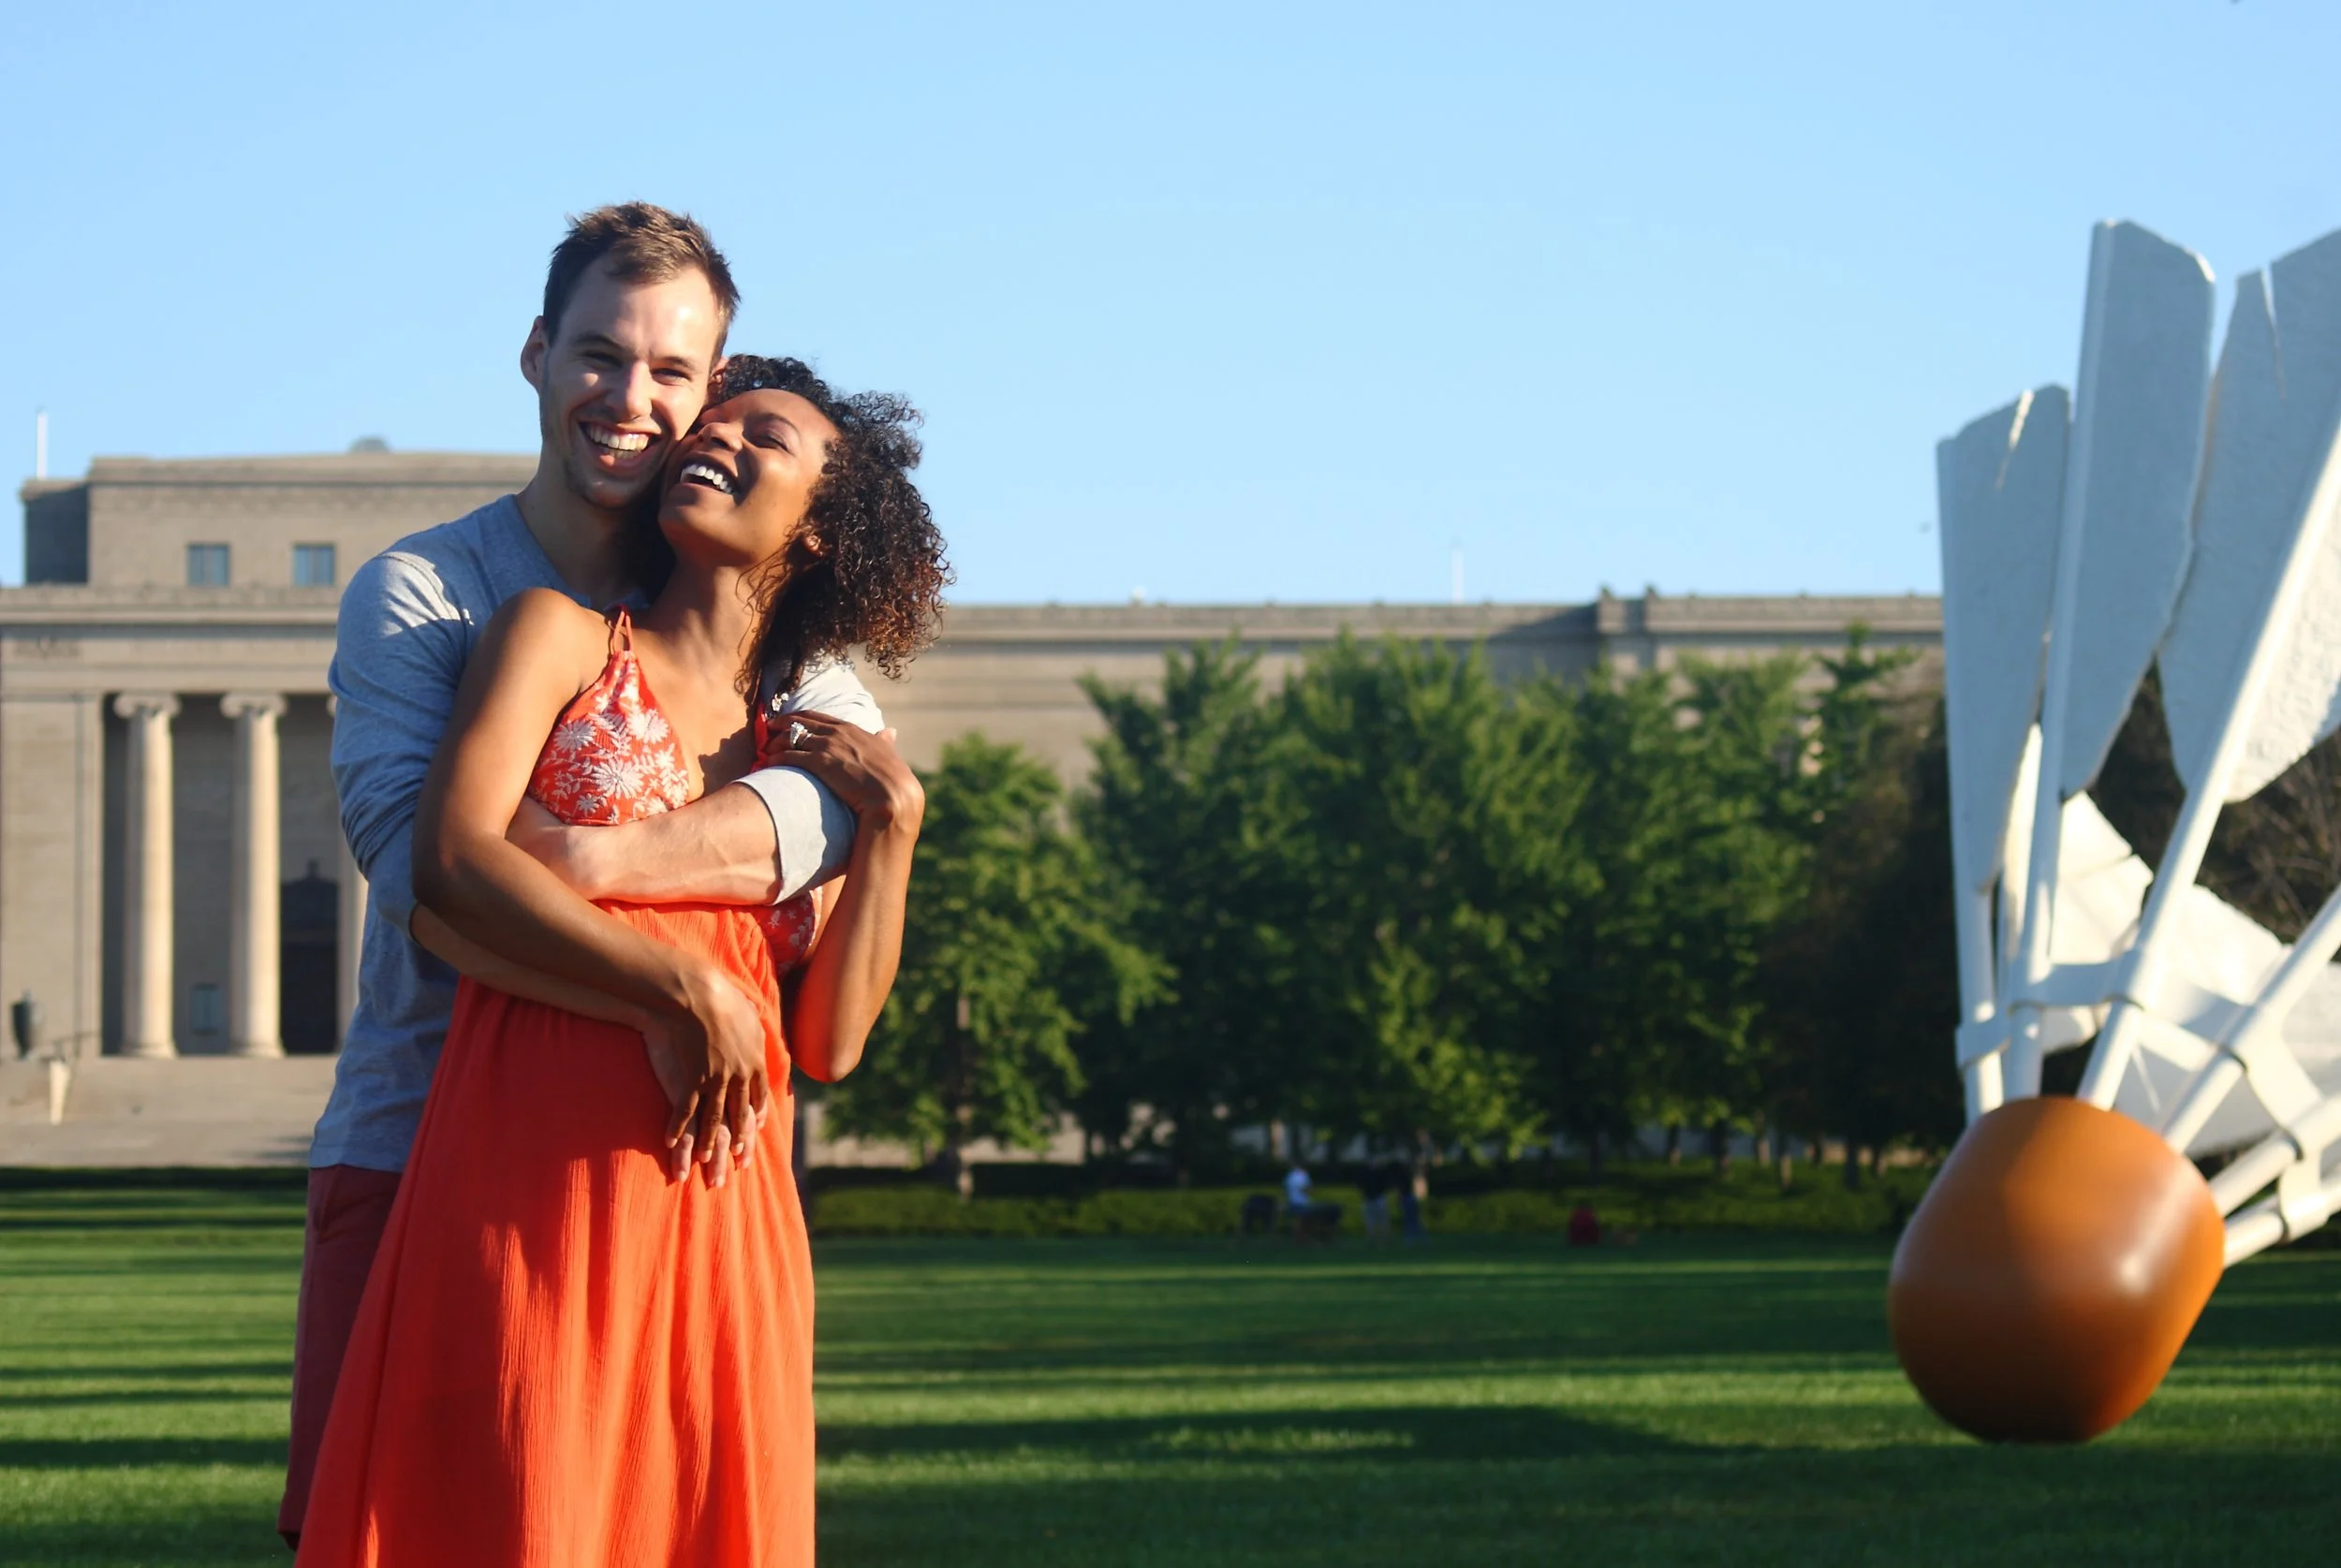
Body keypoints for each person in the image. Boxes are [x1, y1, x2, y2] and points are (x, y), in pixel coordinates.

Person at [282, 205, 884, 1546]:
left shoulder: (782, 643)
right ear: (538, 355)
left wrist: (596, 854)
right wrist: (673, 984)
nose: (634, 398)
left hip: (686, 1172)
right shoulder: (428, 593)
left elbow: (841, 810)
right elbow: (429, 883)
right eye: (601, 355)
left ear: (712, 390)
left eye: (675, 373)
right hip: (423, 1125)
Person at [1360, 1164, 1392, 1242]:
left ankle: (1373, 1237)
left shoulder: (1365, 1174)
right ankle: (1384, 1237)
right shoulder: (1380, 1174)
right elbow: (1386, 1186)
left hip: (1369, 1199)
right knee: (1382, 1219)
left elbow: (1361, 1187)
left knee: (1370, 1220)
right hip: (1378, 1199)